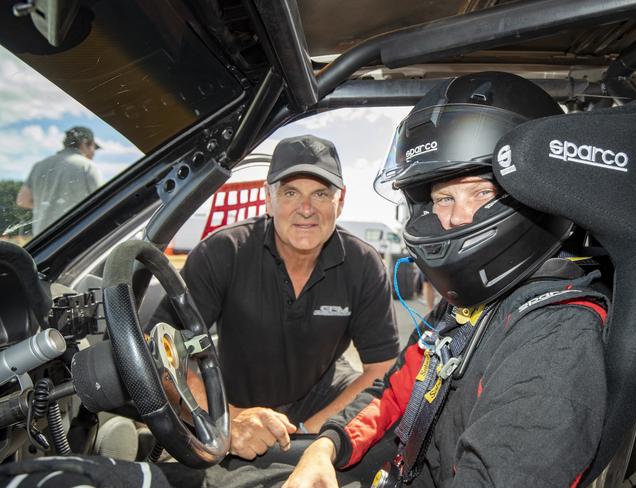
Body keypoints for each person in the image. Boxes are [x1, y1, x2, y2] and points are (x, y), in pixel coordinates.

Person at [279, 72, 608, 487]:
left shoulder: (554, 335)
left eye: (481, 194)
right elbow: (395, 392)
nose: (454, 219)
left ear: (537, 194)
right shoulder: (464, 307)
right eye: (443, 198)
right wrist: (325, 446)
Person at [151, 134, 399, 461]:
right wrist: (227, 417)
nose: (306, 209)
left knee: (396, 437)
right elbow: (156, 346)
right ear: (268, 200)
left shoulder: (364, 264)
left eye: (321, 194)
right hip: (233, 397)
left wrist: (316, 435)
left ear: (340, 202)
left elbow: (382, 368)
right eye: (291, 192)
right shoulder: (224, 251)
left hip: (323, 398)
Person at [16, 126, 102, 236]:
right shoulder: (88, 167)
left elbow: (22, 200)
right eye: (94, 147)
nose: (94, 152)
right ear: (85, 143)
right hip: (76, 238)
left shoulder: (39, 166)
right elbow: (100, 203)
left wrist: (48, 207)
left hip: (43, 242)